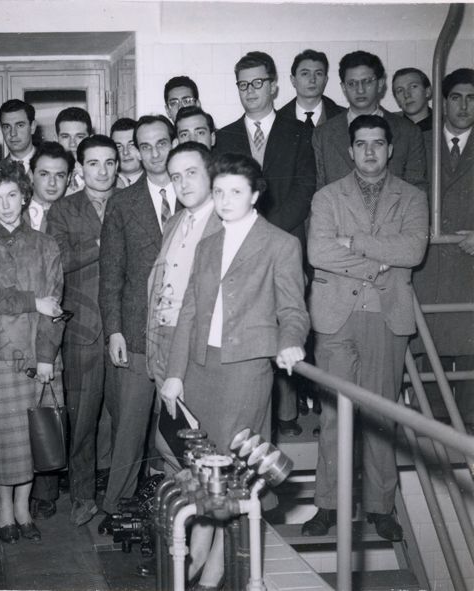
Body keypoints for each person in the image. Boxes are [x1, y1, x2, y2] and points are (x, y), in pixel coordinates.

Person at [160, 151, 309, 589]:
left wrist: (291, 343)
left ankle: (215, 570)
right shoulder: (208, 244)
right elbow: (188, 311)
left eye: (235, 192)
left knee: (234, 477)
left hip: (245, 371)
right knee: (201, 472)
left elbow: (293, 310)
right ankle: (201, 549)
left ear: (256, 195)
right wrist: (175, 372)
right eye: (219, 191)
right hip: (202, 369)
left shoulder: (281, 243)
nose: (225, 200)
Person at [302, 115, 428, 542]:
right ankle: (328, 504)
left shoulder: (411, 197)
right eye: (362, 144)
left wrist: (353, 243)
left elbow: (412, 250)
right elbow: (319, 251)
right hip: (336, 317)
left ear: (390, 149)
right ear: (351, 150)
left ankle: (380, 507)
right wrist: (377, 261)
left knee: (380, 418)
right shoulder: (326, 196)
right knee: (335, 416)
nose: (370, 151)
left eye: (378, 143)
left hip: (387, 316)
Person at [0, 160, 65, 544]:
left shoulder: (45, 244)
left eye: (11, 196)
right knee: (7, 440)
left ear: (24, 196)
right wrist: (31, 301)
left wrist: (46, 357)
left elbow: (55, 308)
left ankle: (24, 508)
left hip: (39, 353)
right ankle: (5, 508)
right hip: (1, 354)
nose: (5, 205)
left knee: (34, 437)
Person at [214, 50, 316, 437]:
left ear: (274, 85)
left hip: (285, 241)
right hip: (237, 252)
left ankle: (286, 416)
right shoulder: (224, 136)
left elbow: (306, 187)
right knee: (251, 329)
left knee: (285, 324)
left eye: (258, 82)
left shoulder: (300, 131)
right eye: (243, 84)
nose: (251, 90)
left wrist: (266, 229)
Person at [98, 114, 178, 534]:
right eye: (143, 146)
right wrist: (114, 330)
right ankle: (117, 508)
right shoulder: (123, 203)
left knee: (182, 429)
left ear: (173, 142)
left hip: (183, 335)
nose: (153, 153)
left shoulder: (195, 194)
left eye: (160, 143)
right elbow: (111, 274)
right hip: (135, 329)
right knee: (129, 426)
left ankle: (177, 511)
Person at [46, 134, 118, 526]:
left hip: (125, 329)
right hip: (84, 330)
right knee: (83, 421)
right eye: (94, 163)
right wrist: (101, 241)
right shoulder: (62, 210)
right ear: (80, 168)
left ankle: (120, 494)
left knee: (125, 421)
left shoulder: (129, 202)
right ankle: (81, 495)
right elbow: (57, 263)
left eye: (110, 162)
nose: (103, 171)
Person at [147, 141, 221, 470]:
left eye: (191, 173)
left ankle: (200, 517)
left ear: (212, 174)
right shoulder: (174, 222)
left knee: (197, 438)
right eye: (176, 177)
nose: (183, 183)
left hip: (197, 344)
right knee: (170, 437)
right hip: (163, 338)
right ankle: (180, 514)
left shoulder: (226, 222)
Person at [413, 68, 474, 429]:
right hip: (429, 268)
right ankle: (433, 427)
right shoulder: (420, 144)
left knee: (470, 354)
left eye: (471, 98)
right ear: (442, 102)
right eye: (456, 97)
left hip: (468, 270)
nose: (464, 105)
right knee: (428, 349)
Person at [312, 51, 427, 192]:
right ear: (343, 88)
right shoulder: (323, 134)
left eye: (367, 81)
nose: (360, 90)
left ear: (380, 84)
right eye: (352, 83)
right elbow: (319, 192)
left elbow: (417, 190)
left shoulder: (408, 131)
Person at [280, 49, 344, 127]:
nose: (312, 80)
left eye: (318, 73)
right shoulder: (277, 119)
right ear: (293, 80)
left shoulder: (344, 117)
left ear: (325, 80)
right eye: (305, 74)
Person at [26, 141, 74, 232]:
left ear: (68, 179)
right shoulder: (14, 213)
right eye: (44, 174)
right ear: (31, 176)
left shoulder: (76, 218)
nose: (52, 183)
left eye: (59, 176)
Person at [55, 106, 93, 195]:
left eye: (79, 136)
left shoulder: (103, 175)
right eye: (65, 136)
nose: (72, 144)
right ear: (56, 139)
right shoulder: (47, 176)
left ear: (90, 139)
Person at [0, 99, 37, 172]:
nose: (13, 133)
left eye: (20, 125)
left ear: (32, 126)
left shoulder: (51, 163)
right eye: (7, 127)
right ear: (1, 129)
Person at [392, 67, 433, 132]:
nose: (406, 95)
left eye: (413, 86)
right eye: (400, 90)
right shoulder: (387, 125)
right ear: (397, 100)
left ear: (427, 91)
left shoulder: (446, 126)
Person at [110, 117, 143, 188]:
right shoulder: (104, 184)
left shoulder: (154, 180)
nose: (125, 152)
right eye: (119, 146)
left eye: (132, 145)